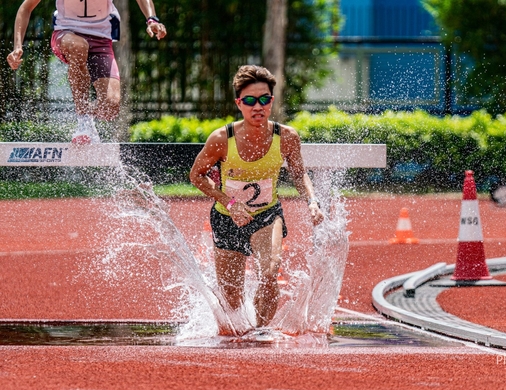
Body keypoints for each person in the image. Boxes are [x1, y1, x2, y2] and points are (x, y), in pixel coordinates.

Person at [190, 65, 324, 334]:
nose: (258, 106)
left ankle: (261, 333)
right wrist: (229, 203)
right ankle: (241, 332)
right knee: (232, 301)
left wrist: (312, 200)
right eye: (250, 100)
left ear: (271, 101)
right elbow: (196, 176)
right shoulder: (221, 139)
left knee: (270, 272)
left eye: (265, 99)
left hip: (267, 215)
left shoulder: (286, 137)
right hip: (227, 218)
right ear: (238, 103)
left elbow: (300, 175)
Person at [7, 0, 167, 145]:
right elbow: (26, 7)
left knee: (110, 107)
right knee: (79, 46)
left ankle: (88, 118)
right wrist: (17, 46)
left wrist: (152, 19)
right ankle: (82, 119)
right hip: (66, 34)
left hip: (101, 40)